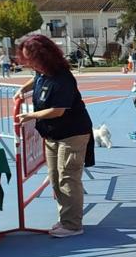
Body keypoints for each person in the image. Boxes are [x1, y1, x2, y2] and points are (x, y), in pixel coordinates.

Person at [14, 34, 93, 238]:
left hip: (72, 133)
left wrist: (30, 115)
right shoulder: (42, 73)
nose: (28, 64)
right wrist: (22, 89)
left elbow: (58, 110)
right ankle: (65, 218)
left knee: (68, 177)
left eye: (31, 60)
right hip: (52, 135)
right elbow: (36, 79)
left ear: (44, 57)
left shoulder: (62, 78)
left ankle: (73, 224)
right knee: (55, 178)